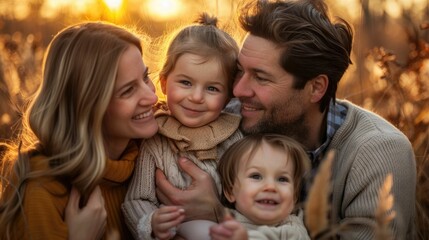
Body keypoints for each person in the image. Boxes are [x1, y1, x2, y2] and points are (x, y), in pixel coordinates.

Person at [154, 0, 417, 239]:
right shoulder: (232, 120)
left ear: (316, 88)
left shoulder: (378, 151)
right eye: (240, 71)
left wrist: (217, 213)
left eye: (261, 77)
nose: (238, 90)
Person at [0, 21, 159, 240]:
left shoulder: (155, 157)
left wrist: (210, 208)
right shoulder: (42, 193)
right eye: (128, 91)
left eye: (145, 77)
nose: (153, 97)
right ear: (88, 106)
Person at [121, 13, 243, 240]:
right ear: (165, 83)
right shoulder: (155, 140)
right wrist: (151, 222)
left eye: (212, 89)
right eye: (186, 82)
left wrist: (226, 216)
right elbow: (137, 198)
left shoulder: (234, 140)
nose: (196, 97)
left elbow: (249, 199)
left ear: (228, 98)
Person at [210, 134, 311, 240]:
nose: (271, 186)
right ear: (231, 191)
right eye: (256, 176)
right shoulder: (219, 220)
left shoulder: (291, 231)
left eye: (282, 179)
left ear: (294, 196)